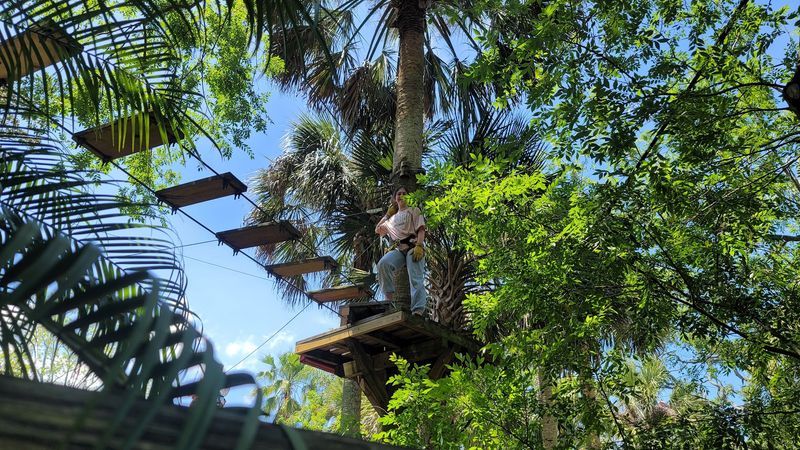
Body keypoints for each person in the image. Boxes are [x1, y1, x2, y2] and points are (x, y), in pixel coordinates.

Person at [375, 186, 427, 316]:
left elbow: (421, 229)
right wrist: (388, 214)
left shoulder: (414, 210)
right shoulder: (391, 219)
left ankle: (418, 310)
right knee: (383, 264)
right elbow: (378, 230)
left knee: (415, 278)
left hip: (413, 247)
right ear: (395, 198)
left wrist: (419, 246)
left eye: (404, 193)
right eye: (399, 194)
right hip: (399, 250)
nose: (401, 195)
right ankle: (388, 301)